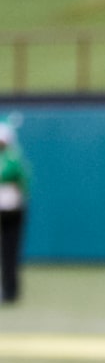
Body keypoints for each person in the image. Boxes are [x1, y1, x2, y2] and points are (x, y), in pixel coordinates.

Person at [0, 114, 30, 304]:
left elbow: (23, 181)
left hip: (13, 211)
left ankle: (10, 290)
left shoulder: (13, 158)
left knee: (10, 251)